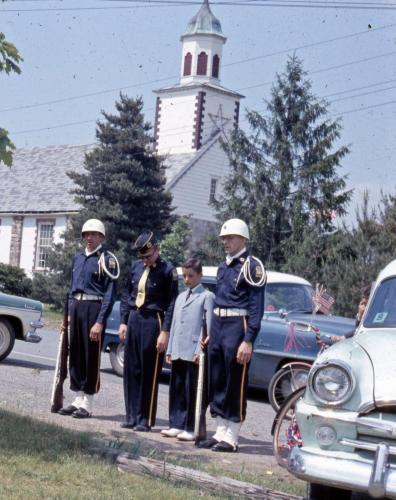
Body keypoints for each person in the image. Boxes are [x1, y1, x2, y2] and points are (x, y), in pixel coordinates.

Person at [198, 218, 266, 452]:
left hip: (238, 323)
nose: (225, 242)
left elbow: (256, 307)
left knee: (234, 379)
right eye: (224, 238)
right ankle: (219, 430)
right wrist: (211, 330)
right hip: (219, 323)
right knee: (217, 377)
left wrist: (248, 340)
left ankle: (232, 434)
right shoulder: (223, 266)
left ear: (243, 239)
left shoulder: (252, 266)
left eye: (230, 238)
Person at [118, 231, 178, 432]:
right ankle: (131, 416)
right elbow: (127, 293)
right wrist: (124, 321)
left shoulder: (168, 270)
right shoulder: (136, 267)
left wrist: (165, 331)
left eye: (149, 256)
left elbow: (171, 303)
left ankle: (145, 419)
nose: (145, 259)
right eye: (142, 256)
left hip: (154, 319)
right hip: (135, 317)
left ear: (157, 249)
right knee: (131, 369)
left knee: (148, 371)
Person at [58, 218, 118, 419]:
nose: (89, 238)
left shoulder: (107, 259)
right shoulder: (78, 258)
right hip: (76, 307)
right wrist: (66, 315)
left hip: (94, 308)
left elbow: (109, 294)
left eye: (94, 234)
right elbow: (70, 289)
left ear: (101, 236)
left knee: (90, 355)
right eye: (86, 234)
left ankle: (88, 403)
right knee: (74, 353)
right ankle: (77, 398)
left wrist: (100, 321)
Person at [161, 258, 215, 441]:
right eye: (184, 275)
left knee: (192, 390)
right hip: (178, 348)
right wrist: (170, 348)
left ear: (200, 275)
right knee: (176, 388)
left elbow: (208, 326)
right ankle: (176, 423)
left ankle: (191, 427)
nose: (187, 279)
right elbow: (175, 324)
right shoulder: (180, 297)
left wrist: (200, 351)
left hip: (193, 351)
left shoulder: (207, 297)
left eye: (191, 275)